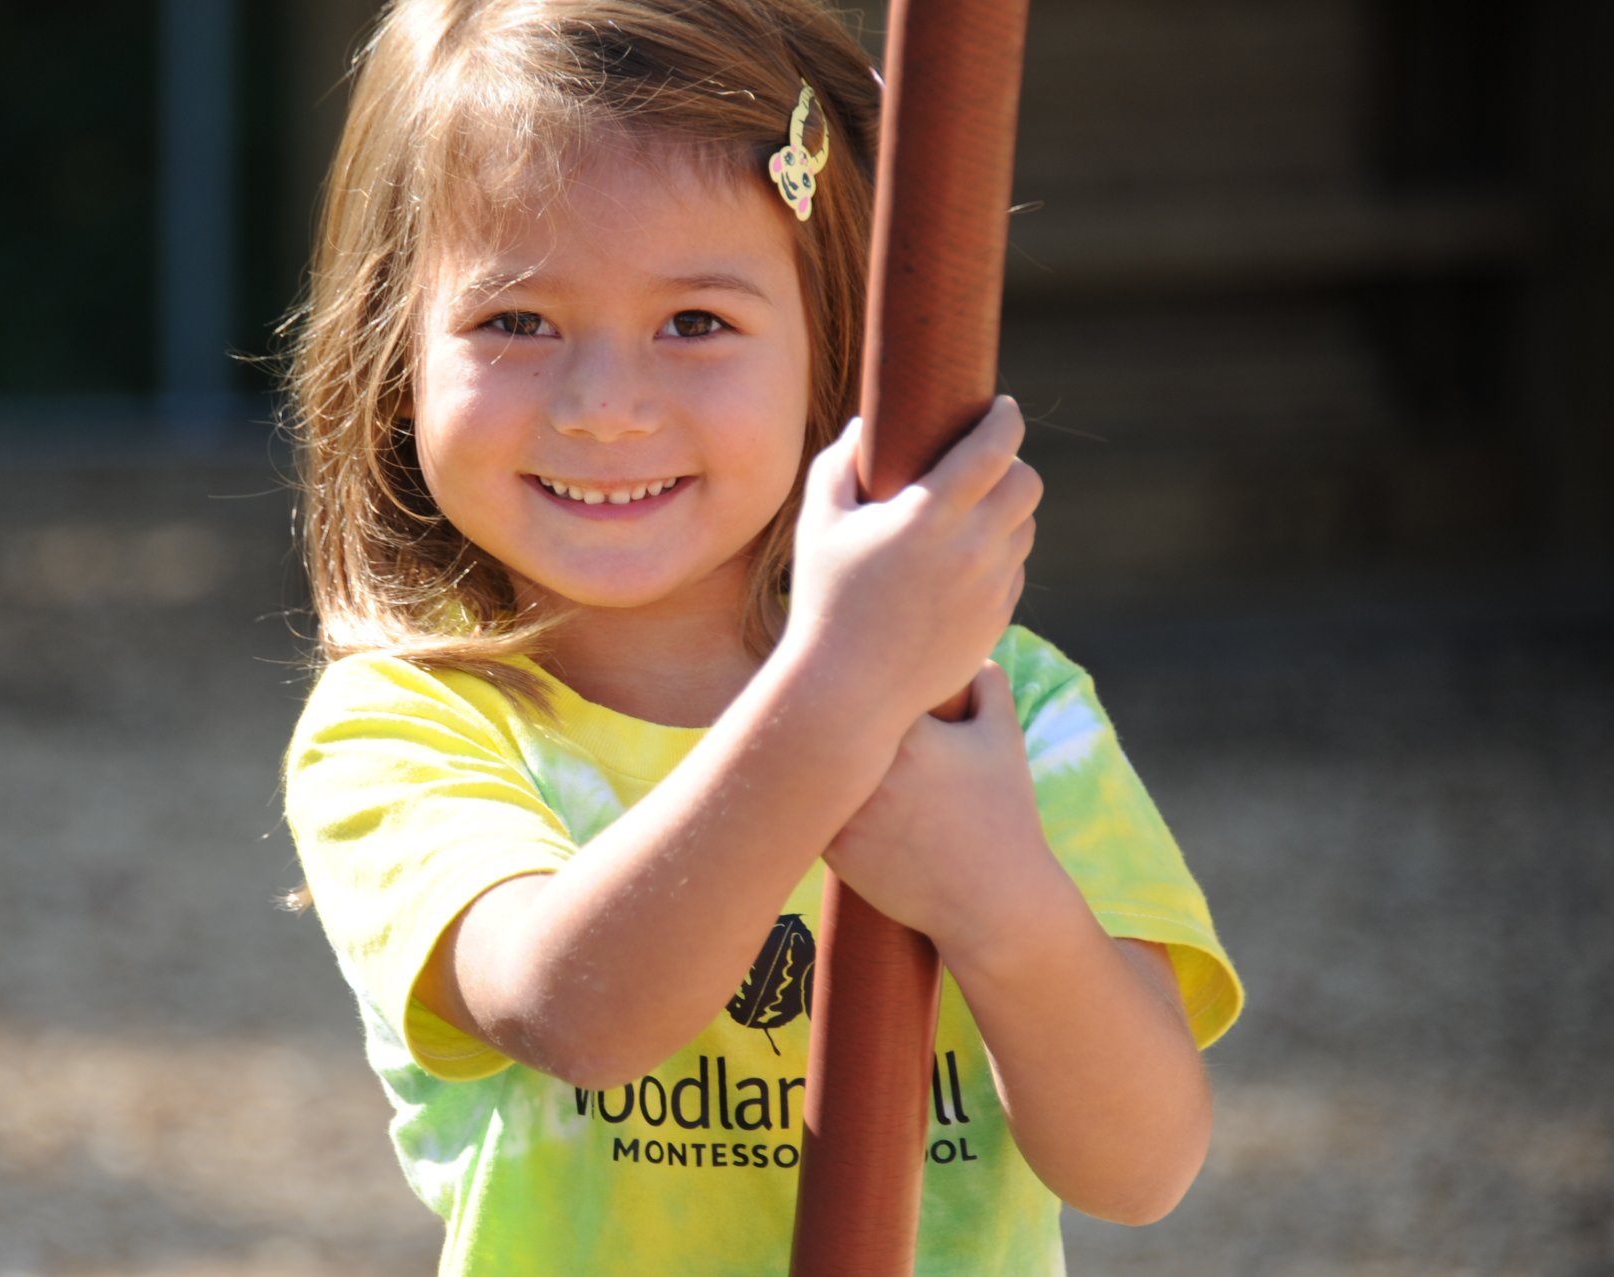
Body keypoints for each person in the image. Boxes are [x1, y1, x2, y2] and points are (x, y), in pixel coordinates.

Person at [280, 0, 1243, 1270]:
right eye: (517, 321)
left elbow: (1140, 1166)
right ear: (394, 351)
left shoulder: (1000, 708)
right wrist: (840, 690)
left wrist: (998, 895)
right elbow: (582, 1009)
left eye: (695, 324)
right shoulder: (412, 727)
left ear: (827, 342)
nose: (605, 408)